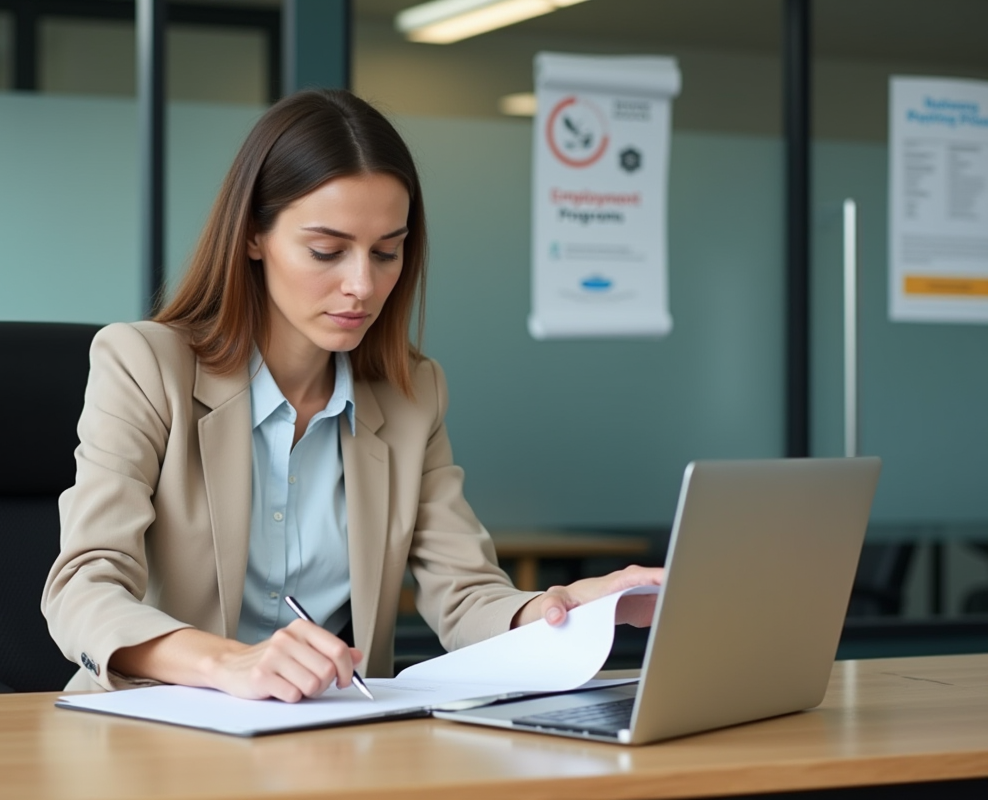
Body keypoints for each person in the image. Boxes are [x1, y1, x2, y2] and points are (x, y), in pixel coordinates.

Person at [42, 89, 662, 701]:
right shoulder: (145, 365)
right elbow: (82, 590)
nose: (362, 284)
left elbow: (466, 594)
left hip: (329, 732)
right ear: (254, 235)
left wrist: (564, 611)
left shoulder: (411, 394)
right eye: (327, 251)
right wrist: (229, 663)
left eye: (387, 252)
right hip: (152, 726)